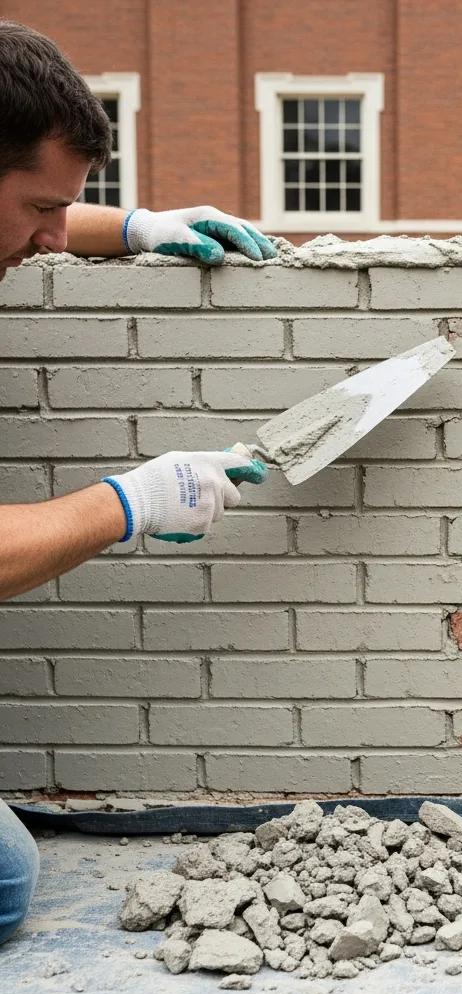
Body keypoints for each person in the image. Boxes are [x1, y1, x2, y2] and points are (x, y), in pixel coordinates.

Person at [0, 19, 271, 945]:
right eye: (41, 207)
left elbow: (51, 215)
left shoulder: (26, 216)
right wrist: (140, 500)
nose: (50, 236)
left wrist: (140, 226)